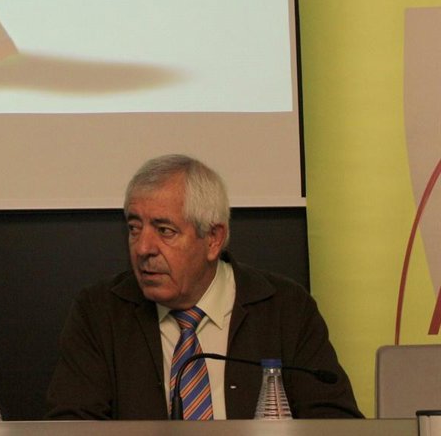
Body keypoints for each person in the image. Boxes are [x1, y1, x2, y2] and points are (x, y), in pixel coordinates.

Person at [45, 154, 362, 420]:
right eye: (134, 228)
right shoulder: (99, 312)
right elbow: (72, 424)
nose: (143, 248)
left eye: (164, 231)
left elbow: (334, 422)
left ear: (213, 239)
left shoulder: (285, 308)